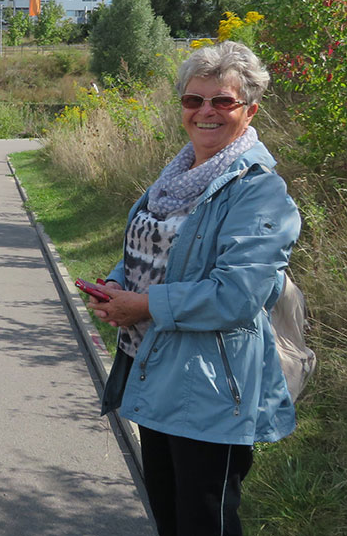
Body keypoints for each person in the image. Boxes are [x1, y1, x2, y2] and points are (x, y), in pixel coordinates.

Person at [87, 41, 301, 536]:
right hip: (154, 366)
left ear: (250, 109)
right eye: (193, 100)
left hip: (211, 383)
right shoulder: (177, 175)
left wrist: (143, 305)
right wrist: (117, 284)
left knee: (206, 521)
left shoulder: (259, 190)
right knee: (168, 514)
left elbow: (238, 294)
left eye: (222, 101)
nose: (205, 112)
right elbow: (153, 249)